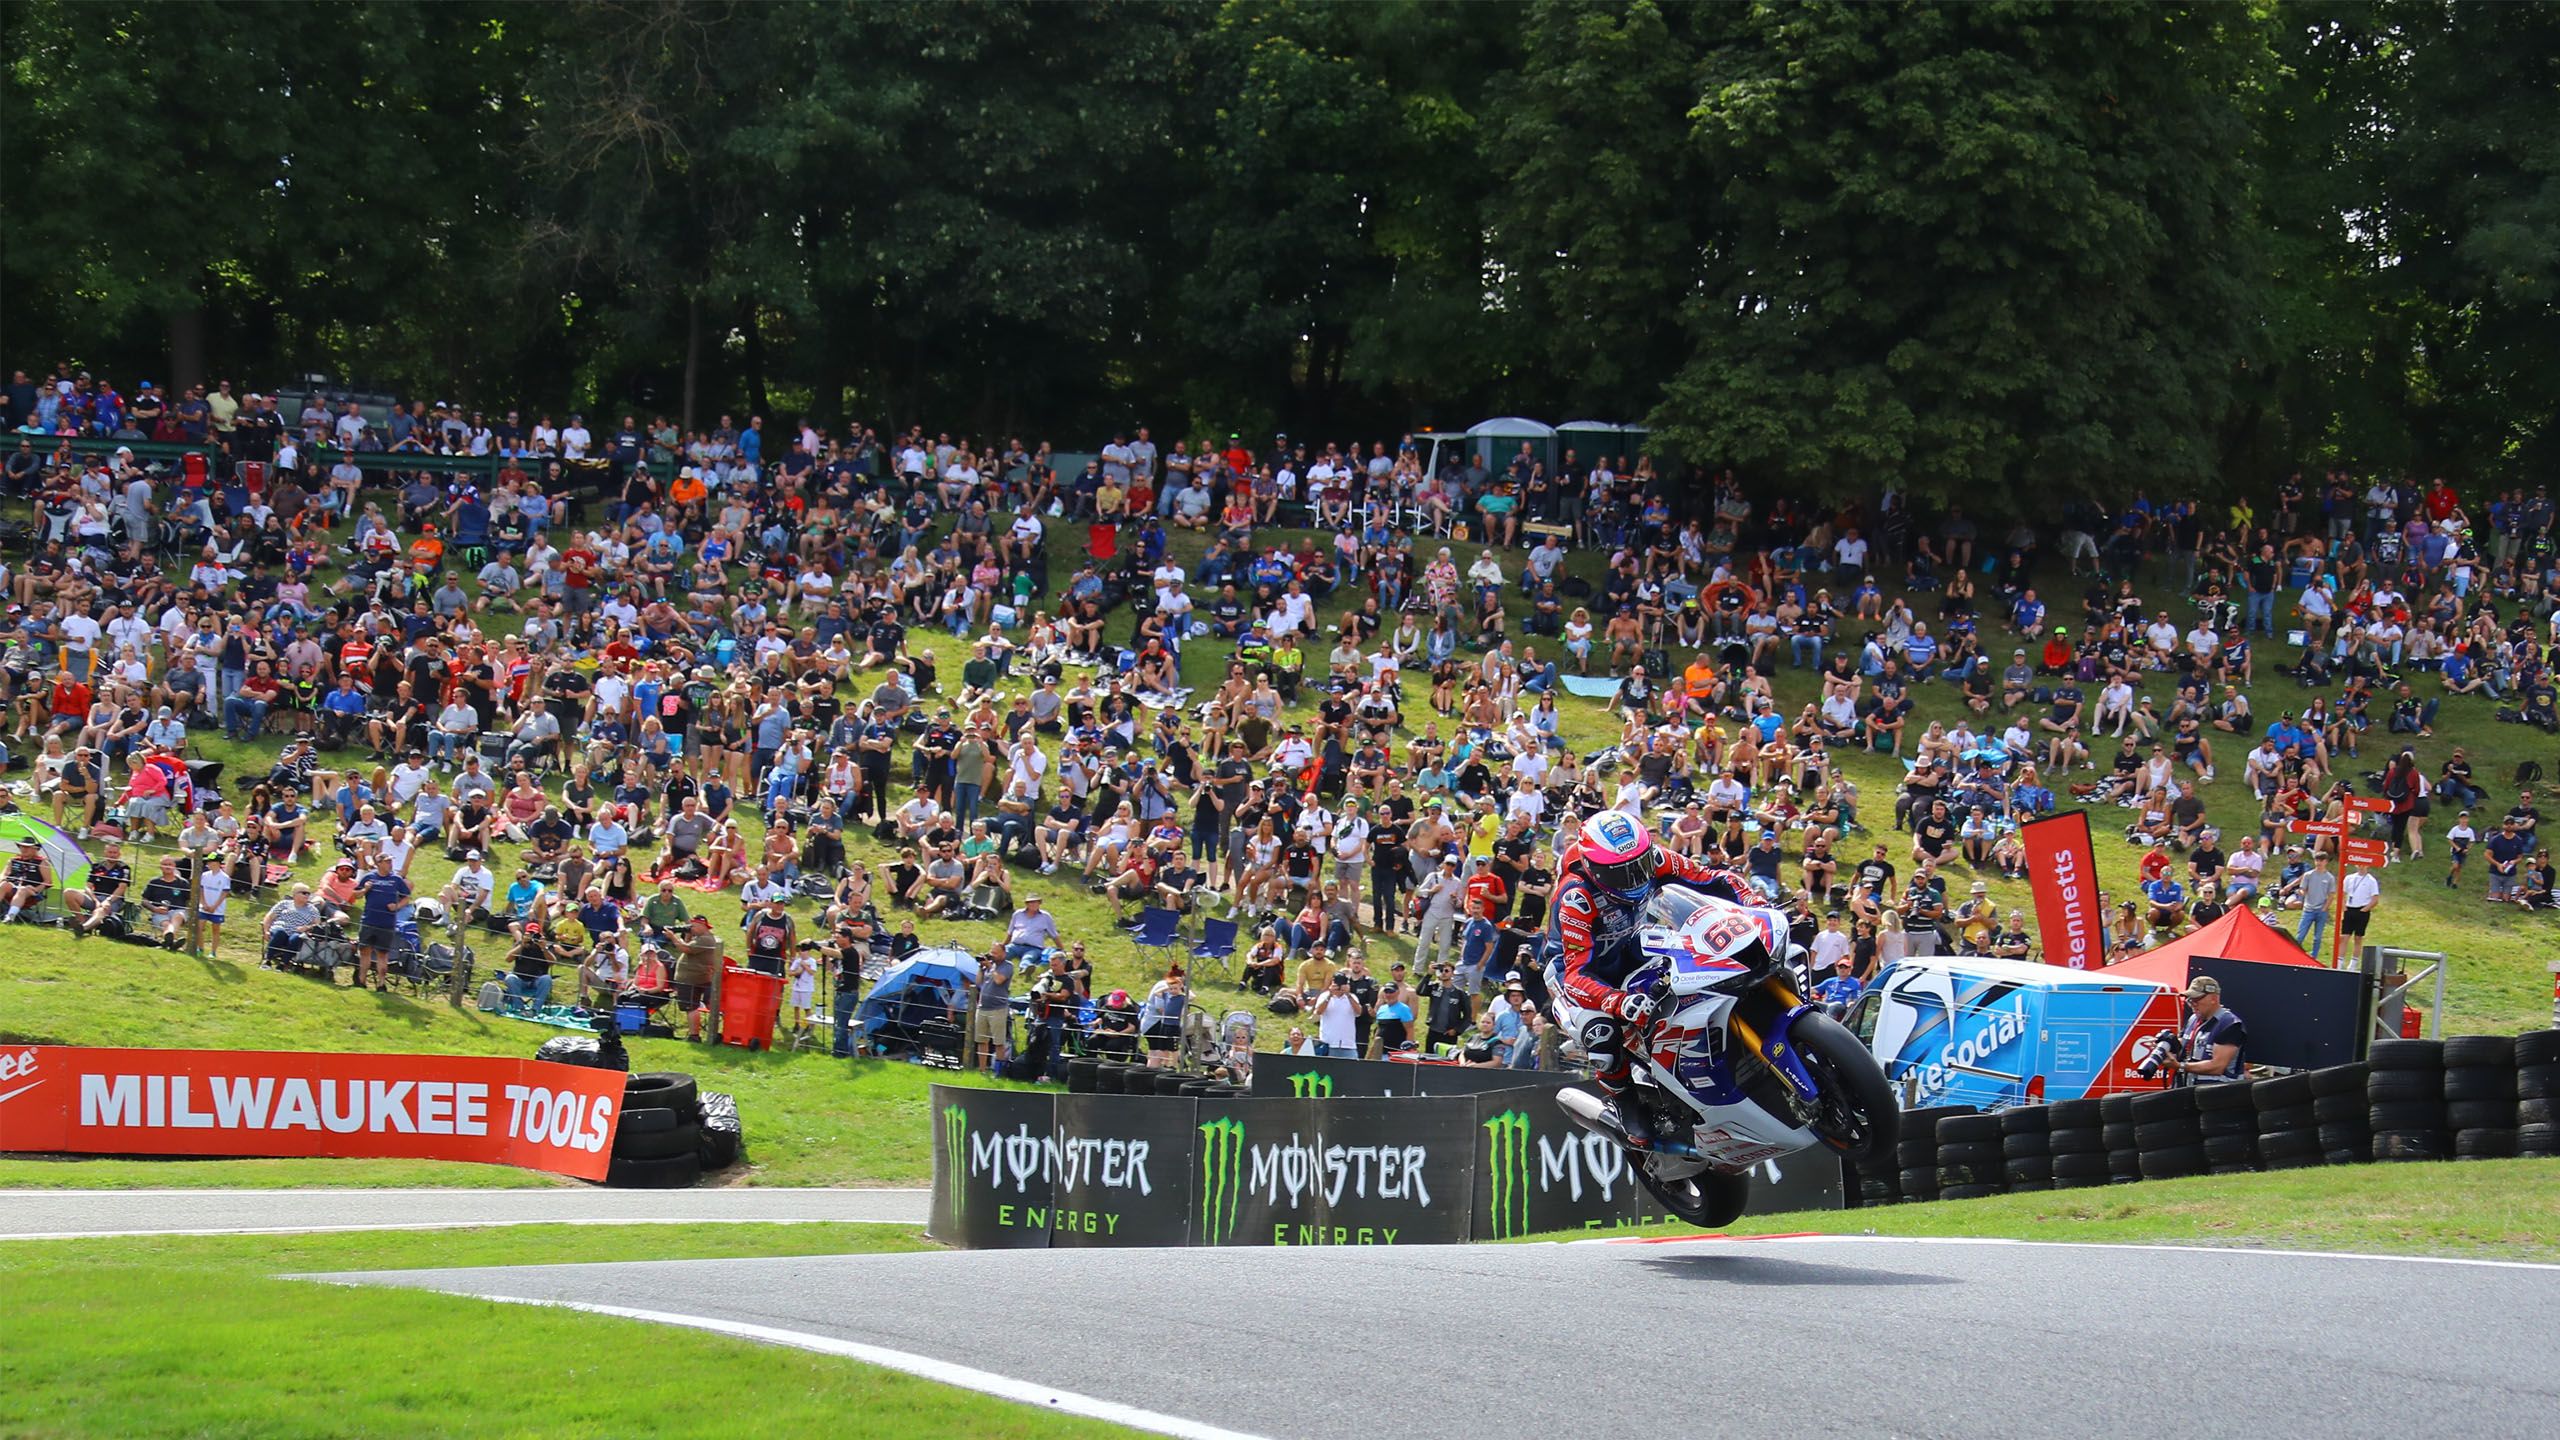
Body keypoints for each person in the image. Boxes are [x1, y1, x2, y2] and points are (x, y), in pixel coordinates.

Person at [1545, 808, 1751, 1150]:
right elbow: (1576, 974)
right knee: (1602, 1034)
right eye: (1620, 873)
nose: (1634, 878)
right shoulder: (1575, 898)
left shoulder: (1653, 858)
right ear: (1596, 870)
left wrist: (1755, 902)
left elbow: (1713, 879)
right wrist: (1617, 1001)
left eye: (1638, 866)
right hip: (1578, 972)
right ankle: (1625, 1102)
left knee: (1701, 965)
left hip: (1633, 944)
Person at [354, 853, 411, 991]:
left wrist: (396, 906)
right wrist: (366, 889)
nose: (390, 864)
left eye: (391, 861)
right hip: (369, 920)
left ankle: (381, 984)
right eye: (387, 861)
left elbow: (407, 897)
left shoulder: (396, 879)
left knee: (382, 954)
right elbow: (356, 894)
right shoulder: (369, 877)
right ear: (378, 863)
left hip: (387, 922)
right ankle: (361, 981)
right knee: (364, 951)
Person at [2174, 974, 2247, 1082]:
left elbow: (2217, 1066)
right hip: (2190, 1089)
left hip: (2218, 1093)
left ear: (2213, 999)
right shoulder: (2193, 1019)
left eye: (2196, 999)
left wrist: (2180, 1066)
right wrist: (2168, 1047)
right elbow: (2183, 1046)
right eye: (2189, 1000)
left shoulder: (2229, 1024)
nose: (2192, 1004)